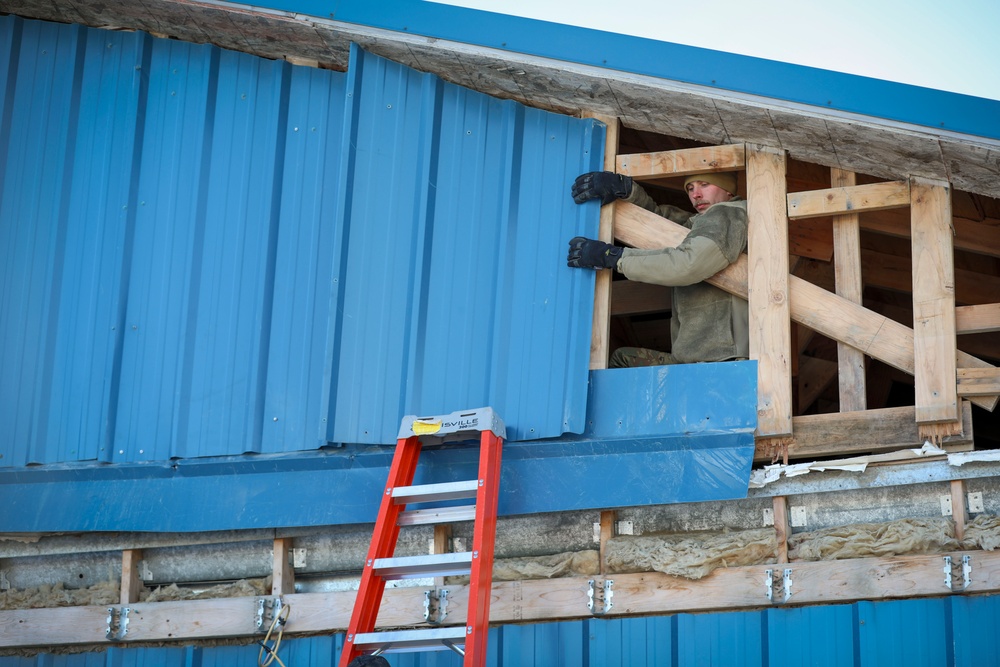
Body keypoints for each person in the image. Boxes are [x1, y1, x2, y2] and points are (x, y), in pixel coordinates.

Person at [567, 170, 748, 367]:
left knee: (622, 365)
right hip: (694, 359)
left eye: (704, 185)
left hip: (721, 360)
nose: (695, 194)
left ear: (728, 191)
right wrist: (626, 191)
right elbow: (661, 222)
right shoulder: (698, 224)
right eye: (690, 188)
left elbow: (688, 264)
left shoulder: (727, 214)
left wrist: (614, 257)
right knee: (623, 359)